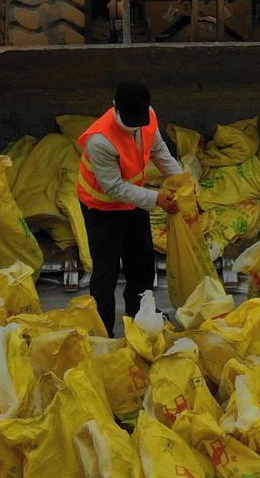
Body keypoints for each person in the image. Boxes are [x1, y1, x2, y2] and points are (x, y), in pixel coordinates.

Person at [75, 82, 185, 335]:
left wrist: (182, 182)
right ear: (115, 108)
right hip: (101, 208)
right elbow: (113, 187)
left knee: (142, 262)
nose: (136, 126)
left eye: (140, 120)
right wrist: (157, 198)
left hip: (134, 202)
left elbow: (159, 151)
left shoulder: (148, 117)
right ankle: (103, 329)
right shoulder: (100, 141)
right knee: (106, 270)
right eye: (130, 121)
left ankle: (140, 314)